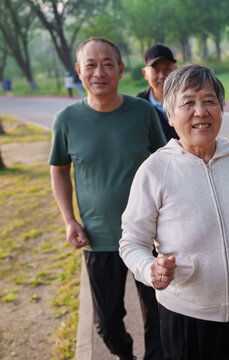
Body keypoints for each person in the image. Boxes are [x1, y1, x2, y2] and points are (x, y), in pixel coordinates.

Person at [119, 64, 229, 359]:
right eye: (188, 103)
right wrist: (150, 270)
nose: (201, 111)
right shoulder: (155, 171)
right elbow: (132, 242)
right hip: (187, 320)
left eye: (209, 101)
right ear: (169, 116)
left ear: (221, 108)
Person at [49, 37, 166, 360]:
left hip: (149, 237)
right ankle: (125, 355)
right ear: (78, 70)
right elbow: (59, 169)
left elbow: (165, 161)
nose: (99, 72)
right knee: (107, 324)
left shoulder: (142, 112)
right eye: (90, 64)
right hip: (99, 239)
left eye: (107, 64)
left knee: (158, 316)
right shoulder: (67, 120)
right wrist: (69, 219)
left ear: (120, 69)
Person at [137, 44, 179, 140]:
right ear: (145, 73)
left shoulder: (188, 99)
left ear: (176, 69)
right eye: (155, 70)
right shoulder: (138, 105)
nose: (162, 76)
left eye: (167, 69)